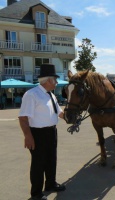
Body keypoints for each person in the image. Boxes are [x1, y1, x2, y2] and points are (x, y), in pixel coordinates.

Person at [18, 64, 66, 200]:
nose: (56, 83)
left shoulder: (51, 95)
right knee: (38, 164)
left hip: (52, 132)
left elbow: (59, 112)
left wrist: (70, 117)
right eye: (55, 80)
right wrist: (28, 136)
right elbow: (23, 118)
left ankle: (50, 184)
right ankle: (36, 194)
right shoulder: (31, 94)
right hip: (37, 134)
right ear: (49, 80)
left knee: (51, 160)